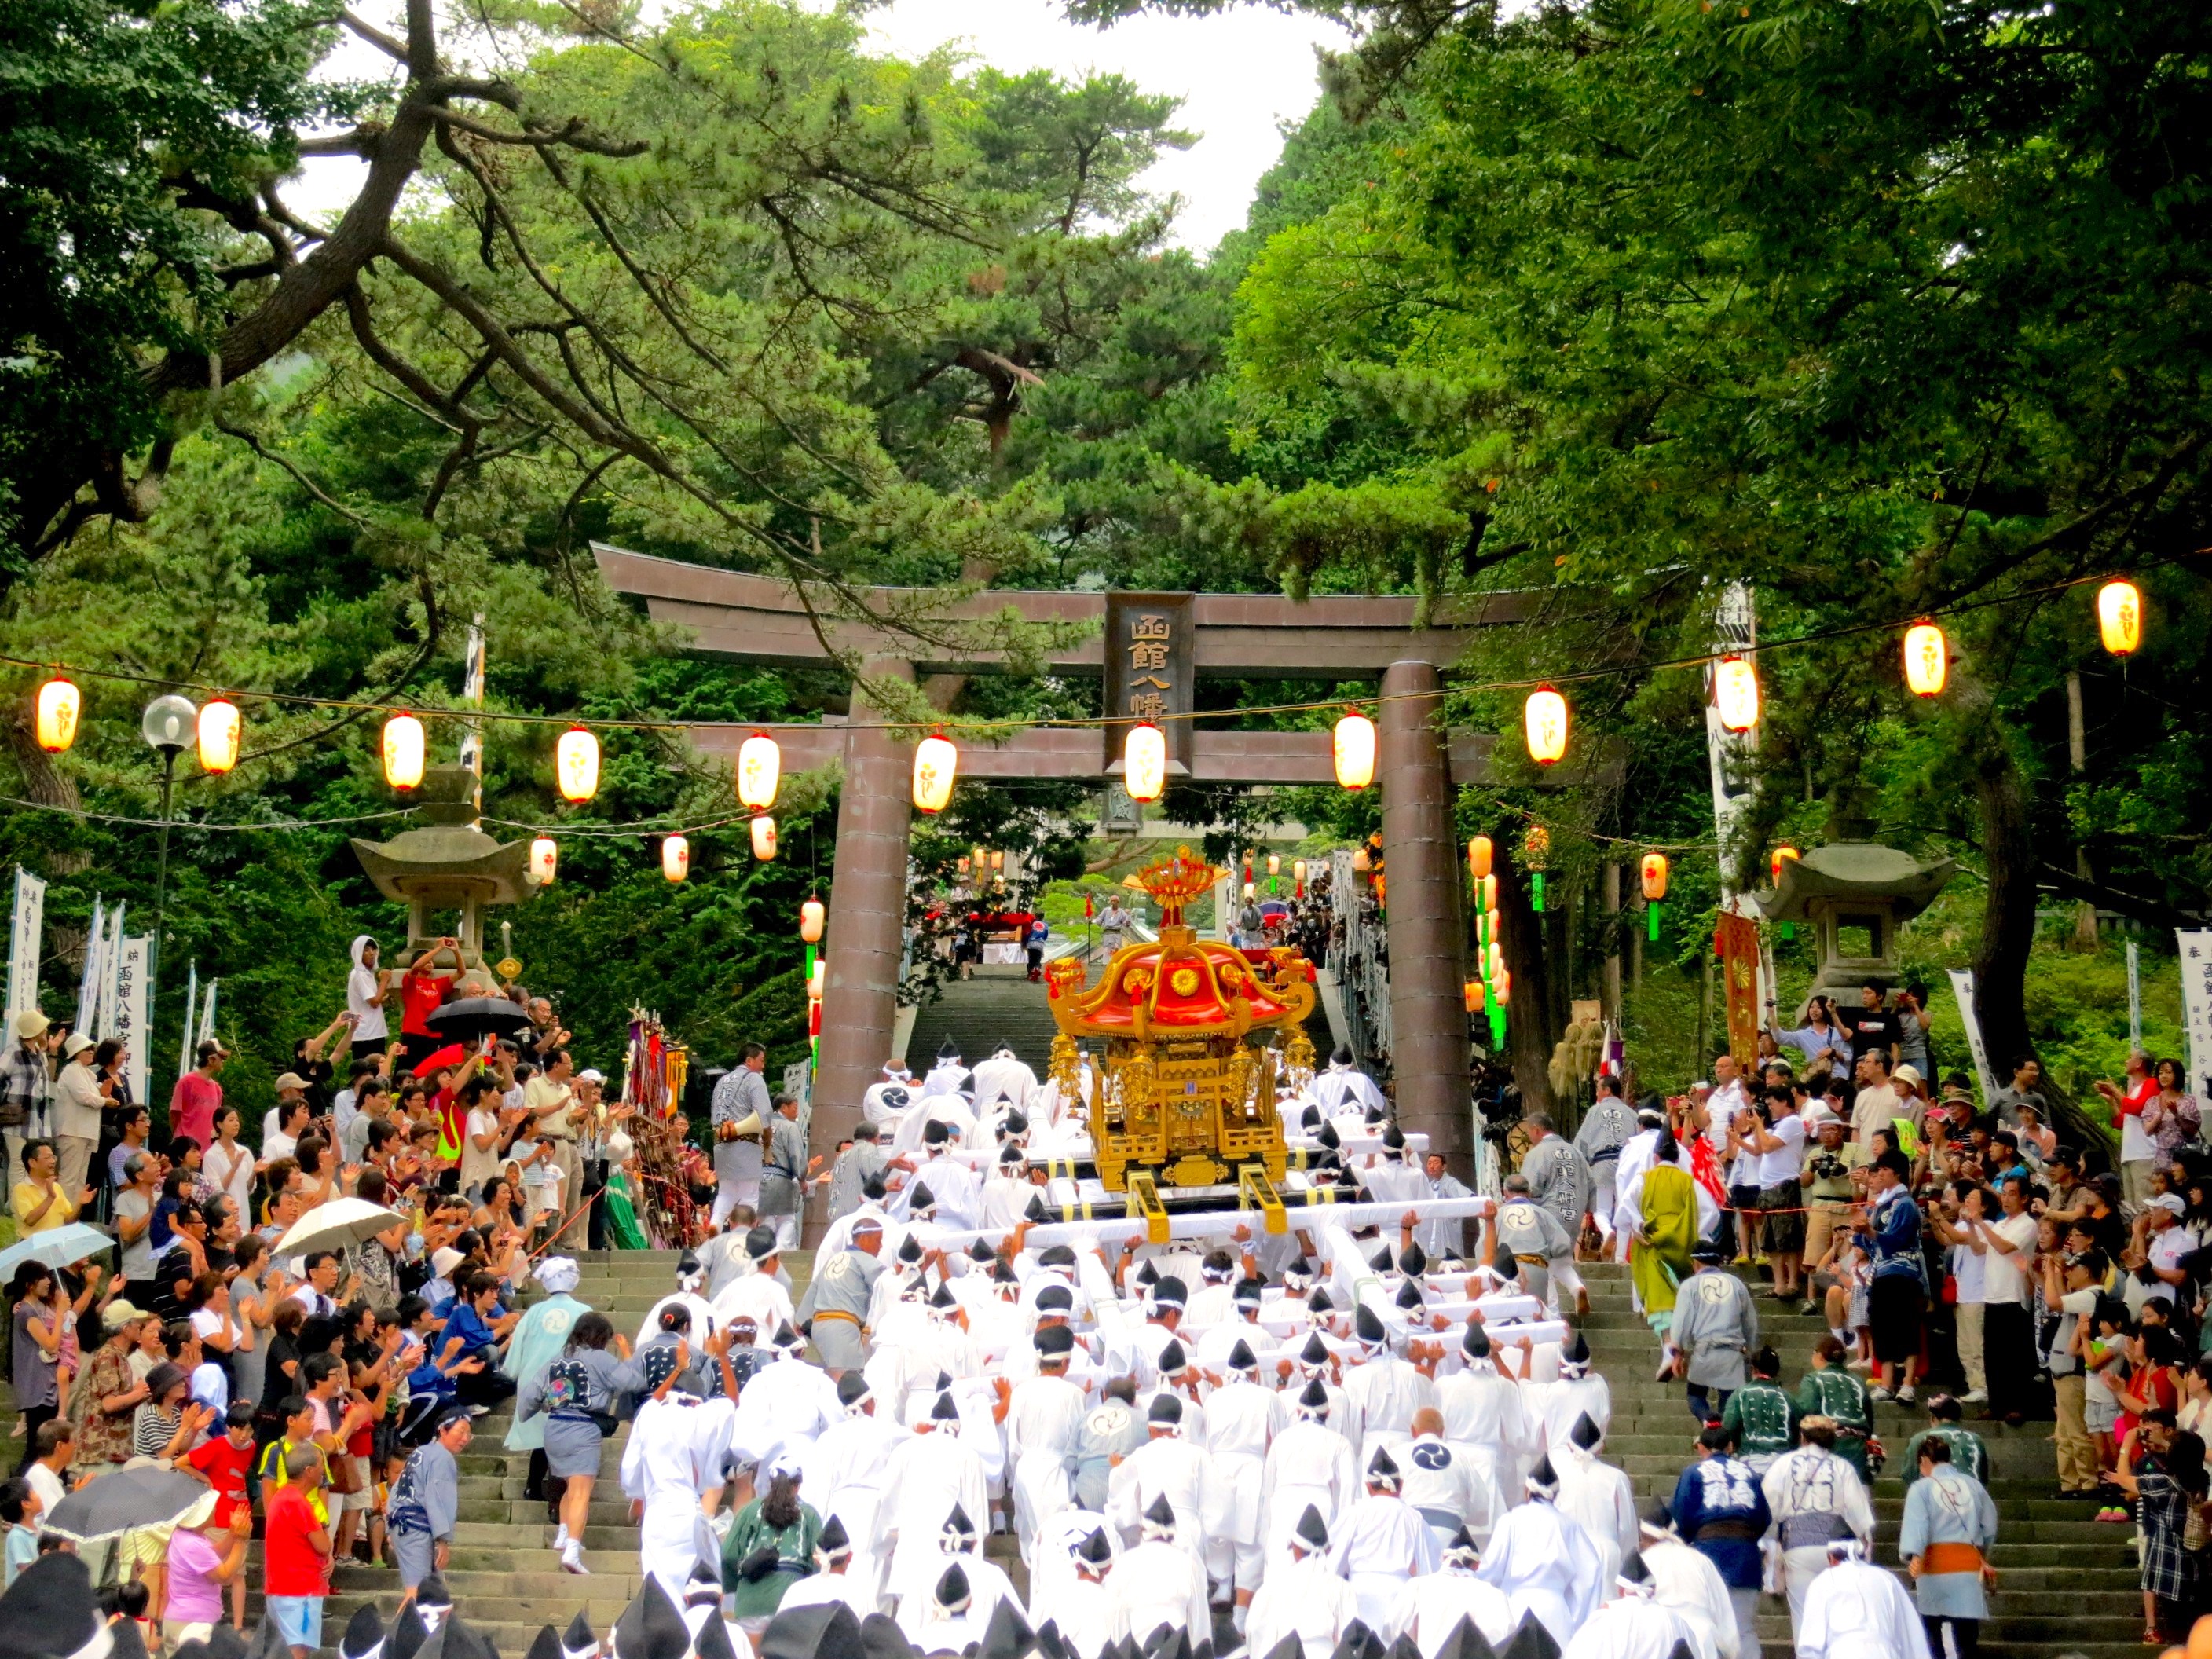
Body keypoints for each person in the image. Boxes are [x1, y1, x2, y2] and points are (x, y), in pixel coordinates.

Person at [1760, 1419, 1875, 1629]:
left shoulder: (1783, 1464)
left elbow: (1768, 1507)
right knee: (1838, 1614)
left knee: (1804, 1615)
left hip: (1798, 1544)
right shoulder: (1843, 1467)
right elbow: (1858, 1511)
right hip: (1837, 1545)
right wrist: (1864, 1543)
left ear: (1802, 1436)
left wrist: (1772, 1538)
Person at [1668, 1425, 1767, 1659]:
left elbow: (1681, 1515)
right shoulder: (1749, 1473)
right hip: (1745, 1553)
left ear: (1701, 1447)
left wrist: (1689, 1540)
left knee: (1710, 1625)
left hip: (1708, 1553)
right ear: (1731, 1447)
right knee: (1743, 1628)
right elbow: (1764, 1517)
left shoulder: (1694, 1472)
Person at [1898, 1437, 1997, 1659]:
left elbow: (1918, 1525)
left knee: (1932, 1633)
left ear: (1924, 1459)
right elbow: (1989, 1525)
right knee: (1967, 1638)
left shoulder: (1920, 1488)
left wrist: (1914, 1555)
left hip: (1933, 1566)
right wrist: (1982, 1554)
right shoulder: (1973, 1485)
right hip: (1968, 1566)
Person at [721, 1459, 826, 1632]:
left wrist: (734, 1588)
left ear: (770, 1483)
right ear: (797, 1486)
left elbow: (728, 1555)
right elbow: (819, 1560)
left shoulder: (750, 1510)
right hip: (792, 1603)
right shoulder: (809, 1514)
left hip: (750, 1604)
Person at [1855, 1151, 1923, 1405]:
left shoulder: (1904, 1203)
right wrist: (1861, 1232)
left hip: (1904, 1271)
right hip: (1881, 1272)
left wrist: (1870, 1231)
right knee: (1882, 1328)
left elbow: (1896, 1239)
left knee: (1907, 1328)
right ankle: (1886, 1384)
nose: (1879, 1174)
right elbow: (1867, 1244)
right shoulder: (1879, 1205)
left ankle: (1906, 1384)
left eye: (1884, 1169)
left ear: (1896, 1172)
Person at [388, 1406, 473, 1604]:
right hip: (415, 1528)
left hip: (402, 1523)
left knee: (434, 1594)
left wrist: (389, 1526)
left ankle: (431, 1634)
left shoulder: (422, 1451)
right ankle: (398, 1636)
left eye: (469, 1434)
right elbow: (439, 1499)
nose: (465, 1439)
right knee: (415, 1594)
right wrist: (443, 1539)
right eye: (460, 1432)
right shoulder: (442, 1457)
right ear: (443, 1430)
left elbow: (396, 1489)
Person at [1794, 1537, 1932, 1659]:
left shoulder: (1822, 1582)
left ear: (1831, 1557)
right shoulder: (1886, 1579)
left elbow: (1810, 1647)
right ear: (1862, 1554)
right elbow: (1911, 1637)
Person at [1671, 1243, 1758, 1424]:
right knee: (1729, 1401)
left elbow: (1681, 1321)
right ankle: (1722, 1432)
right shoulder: (1736, 1284)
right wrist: (1750, 1348)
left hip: (1704, 1351)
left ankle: (1708, 1421)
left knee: (1695, 1396)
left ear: (1695, 1262)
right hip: (1732, 1352)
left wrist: (1677, 1353)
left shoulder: (1690, 1285)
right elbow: (1750, 1321)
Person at [263, 1441, 335, 1659]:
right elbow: (323, 1545)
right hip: (299, 1591)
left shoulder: (282, 1497)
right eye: (321, 1464)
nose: (324, 1470)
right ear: (309, 1471)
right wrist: (329, 1547)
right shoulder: (298, 1503)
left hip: (283, 1588)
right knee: (297, 1651)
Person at [162, 1490, 253, 1645]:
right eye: (212, 1508)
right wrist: (240, 1540)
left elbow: (210, 1556)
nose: (216, 1509)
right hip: (192, 1625)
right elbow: (225, 1577)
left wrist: (232, 1534)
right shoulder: (192, 1544)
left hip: (186, 1620)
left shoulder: (183, 1535)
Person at [712, 1045, 772, 1227]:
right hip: (746, 1144)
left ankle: (714, 1226)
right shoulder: (753, 1078)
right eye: (761, 1061)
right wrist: (768, 1142)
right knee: (749, 1195)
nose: (763, 1066)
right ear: (749, 1061)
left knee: (726, 1194)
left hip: (721, 1145)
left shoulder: (722, 1081)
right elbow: (764, 1114)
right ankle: (744, 1238)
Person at [49, 1032, 106, 1209]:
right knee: (69, 1178)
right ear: (76, 1052)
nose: (91, 1052)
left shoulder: (88, 1074)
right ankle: (61, 1218)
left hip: (85, 1132)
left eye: (92, 1049)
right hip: (72, 1132)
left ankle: (71, 1218)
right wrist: (105, 1101)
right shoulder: (72, 1070)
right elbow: (84, 1097)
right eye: (86, 1049)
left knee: (80, 1181)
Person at [0, 1010, 54, 1193]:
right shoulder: (13, 1051)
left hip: (34, 1117)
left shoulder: (39, 1052)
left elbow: (43, 1083)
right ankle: (16, 1205)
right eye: (42, 1027)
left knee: (30, 1164)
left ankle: (15, 1204)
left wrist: (46, 1049)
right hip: (14, 1116)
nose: (46, 1029)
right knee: (18, 1162)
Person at [169, 1039, 226, 1159]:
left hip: (207, 1150)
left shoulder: (217, 1088)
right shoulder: (186, 1082)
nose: (223, 1061)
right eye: (221, 1057)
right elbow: (174, 1113)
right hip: (186, 1150)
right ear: (211, 1059)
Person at [9, 1138, 79, 1236]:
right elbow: (30, 1220)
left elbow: (68, 1220)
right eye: (47, 1158)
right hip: (32, 1246)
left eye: (53, 1157)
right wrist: (50, 1197)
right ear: (32, 1163)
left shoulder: (57, 1187)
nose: (53, 1161)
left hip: (55, 1245)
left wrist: (80, 1203)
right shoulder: (21, 1189)